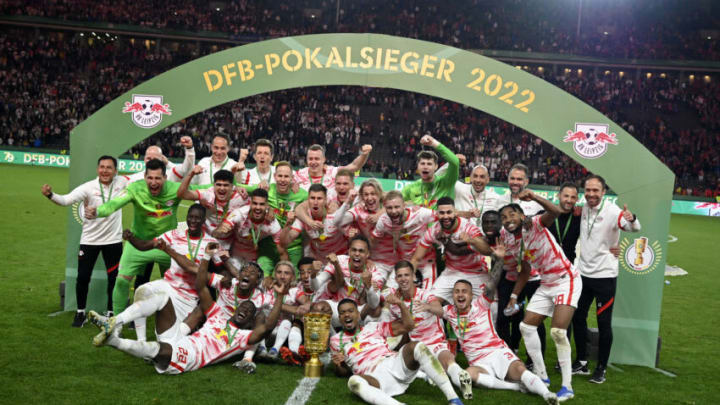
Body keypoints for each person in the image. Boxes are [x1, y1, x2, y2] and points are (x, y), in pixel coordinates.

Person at [90, 242, 289, 375]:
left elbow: (266, 326)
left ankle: (113, 341)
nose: (243, 309)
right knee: (162, 298)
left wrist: (280, 295)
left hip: (193, 355)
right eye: (244, 270)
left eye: (248, 309)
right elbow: (201, 286)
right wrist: (205, 256)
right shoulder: (219, 311)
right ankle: (116, 320)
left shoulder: (241, 337)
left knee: (161, 349)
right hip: (182, 338)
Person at [492, 189, 581, 402]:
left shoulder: (534, 224)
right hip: (546, 283)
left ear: (522, 216)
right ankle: (542, 376)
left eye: (512, 215)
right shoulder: (506, 238)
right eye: (503, 217)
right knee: (526, 326)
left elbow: (556, 211)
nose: (508, 220)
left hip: (566, 279)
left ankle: (567, 387)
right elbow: (525, 269)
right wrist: (514, 296)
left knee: (558, 332)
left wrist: (533, 197)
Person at [89, 204, 220, 345]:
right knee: (141, 291)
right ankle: (136, 337)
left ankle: (120, 327)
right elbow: (146, 245)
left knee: (168, 342)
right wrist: (131, 238)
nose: (193, 221)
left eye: (197, 218)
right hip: (168, 285)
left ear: (203, 220)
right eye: (190, 217)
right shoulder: (175, 234)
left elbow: (207, 269)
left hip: (187, 297)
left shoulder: (211, 243)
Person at [419, 279, 559, 404]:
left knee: (519, 370)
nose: (460, 295)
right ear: (453, 296)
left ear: (471, 295)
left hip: (496, 351)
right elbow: (435, 309)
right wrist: (427, 307)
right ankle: (514, 387)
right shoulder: (449, 311)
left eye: (464, 292)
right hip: (478, 362)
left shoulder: (482, 303)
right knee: (466, 376)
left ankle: (547, 394)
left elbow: (493, 283)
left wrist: (498, 259)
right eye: (456, 292)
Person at [85, 159, 183, 318]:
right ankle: (116, 323)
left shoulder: (176, 189)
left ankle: (173, 323)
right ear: (144, 176)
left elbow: (203, 190)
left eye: (157, 178)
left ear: (165, 178)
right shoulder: (135, 189)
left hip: (167, 246)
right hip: (138, 244)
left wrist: (237, 187)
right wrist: (98, 211)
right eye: (150, 178)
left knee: (174, 286)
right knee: (122, 281)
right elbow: (115, 203)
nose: (153, 182)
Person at [41, 155, 128, 326]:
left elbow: (142, 180)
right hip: (90, 241)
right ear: (97, 169)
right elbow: (66, 200)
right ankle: (80, 313)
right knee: (82, 277)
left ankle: (111, 313)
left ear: (115, 171)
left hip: (113, 241)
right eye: (102, 167)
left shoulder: (123, 183)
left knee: (114, 279)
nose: (105, 170)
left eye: (109, 167)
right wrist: (50, 194)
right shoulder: (89, 187)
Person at [572, 175, 641, 384]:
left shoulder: (612, 211)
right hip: (583, 274)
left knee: (604, 323)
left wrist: (631, 218)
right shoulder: (582, 208)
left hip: (605, 277)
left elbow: (633, 228)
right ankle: (582, 361)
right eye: (588, 190)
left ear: (603, 192)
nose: (591, 194)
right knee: (577, 318)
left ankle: (601, 368)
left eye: (596, 190)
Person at [330, 298, 464, 405]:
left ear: (358, 314)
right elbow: (344, 372)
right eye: (342, 312)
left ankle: (453, 399)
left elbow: (408, 326)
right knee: (354, 381)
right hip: (374, 378)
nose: (346, 314)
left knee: (417, 346)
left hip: (393, 364)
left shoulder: (373, 327)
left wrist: (401, 304)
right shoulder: (336, 341)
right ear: (340, 318)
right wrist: (338, 365)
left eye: (350, 311)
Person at [385, 261, 474, 400]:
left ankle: (461, 380)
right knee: (436, 366)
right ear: (396, 279)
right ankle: (431, 374)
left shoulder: (426, 294)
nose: (403, 279)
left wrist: (428, 307)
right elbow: (398, 329)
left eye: (406, 275)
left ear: (413, 276)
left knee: (448, 361)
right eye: (400, 276)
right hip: (417, 347)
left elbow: (439, 310)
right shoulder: (396, 304)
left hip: (436, 341)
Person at [411, 197, 492, 303]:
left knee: (490, 307)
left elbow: (487, 250)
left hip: (476, 272)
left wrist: (472, 240)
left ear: (455, 213)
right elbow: (416, 258)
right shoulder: (434, 231)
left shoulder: (467, 227)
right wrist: (411, 277)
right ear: (437, 214)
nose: (445, 216)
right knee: (429, 302)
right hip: (452, 272)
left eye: (449, 212)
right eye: (442, 213)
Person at [309, 236, 383, 329]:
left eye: (361, 251)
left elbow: (374, 304)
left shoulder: (374, 272)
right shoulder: (339, 261)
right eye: (354, 250)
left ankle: (360, 335)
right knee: (319, 308)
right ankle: (328, 339)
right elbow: (315, 287)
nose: (357, 254)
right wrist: (313, 275)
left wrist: (368, 286)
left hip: (358, 311)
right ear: (349, 251)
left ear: (367, 254)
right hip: (336, 307)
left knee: (377, 310)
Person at [247, 161, 308, 272]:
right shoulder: (266, 190)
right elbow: (239, 188)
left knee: (291, 282)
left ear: (292, 178)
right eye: (280, 176)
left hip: (292, 247)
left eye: (286, 176)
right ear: (275, 176)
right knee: (262, 279)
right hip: (269, 246)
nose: (283, 179)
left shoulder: (302, 194)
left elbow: (318, 200)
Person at [371, 191, 437, 289]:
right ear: (385, 208)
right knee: (387, 294)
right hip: (403, 261)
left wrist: (466, 214)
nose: (393, 211)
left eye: (397, 207)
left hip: (426, 260)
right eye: (389, 208)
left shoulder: (420, 213)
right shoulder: (384, 221)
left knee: (428, 296)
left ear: (404, 206)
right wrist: (368, 258)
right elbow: (373, 240)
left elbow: (443, 215)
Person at [212, 188, 285, 269]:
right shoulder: (239, 214)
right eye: (255, 203)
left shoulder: (273, 224)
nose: (258, 207)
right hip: (234, 253)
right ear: (250, 203)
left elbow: (282, 253)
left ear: (267, 205)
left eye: (261, 204)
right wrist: (220, 230)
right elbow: (216, 233)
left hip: (253, 255)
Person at [282, 184, 354, 263]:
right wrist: (288, 224)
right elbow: (285, 241)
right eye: (312, 198)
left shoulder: (335, 215)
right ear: (308, 200)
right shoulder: (304, 218)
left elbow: (351, 238)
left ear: (325, 200)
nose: (315, 202)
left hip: (341, 259)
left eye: (319, 198)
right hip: (320, 262)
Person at [177, 167, 249, 235]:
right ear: (214, 185)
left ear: (232, 186)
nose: (222, 188)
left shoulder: (242, 198)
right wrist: (191, 174)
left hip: (231, 241)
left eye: (226, 185)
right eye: (218, 185)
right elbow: (182, 194)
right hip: (207, 238)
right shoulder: (208, 195)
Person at [402, 135, 459, 208]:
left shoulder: (446, 182)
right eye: (422, 163)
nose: (425, 167)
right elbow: (394, 201)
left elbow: (455, 162)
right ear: (418, 166)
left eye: (429, 164)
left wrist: (433, 143)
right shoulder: (411, 188)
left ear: (436, 166)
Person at [293, 143, 372, 191]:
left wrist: (364, 154)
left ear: (324, 159)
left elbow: (354, 166)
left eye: (317, 159)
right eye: (310, 159)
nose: (313, 162)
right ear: (306, 160)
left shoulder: (333, 172)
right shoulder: (299, 175)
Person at [126, 136, 195, 183]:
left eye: (155, 158)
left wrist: (189, 149)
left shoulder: (169, 175)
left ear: (162, 160)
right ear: (144, 160)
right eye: (148, 158)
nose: (152, 161)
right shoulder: (135, 178)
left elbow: (186, 169)